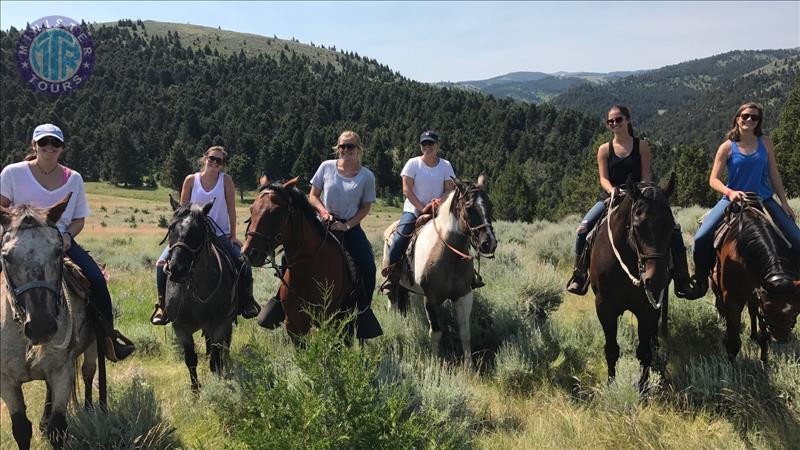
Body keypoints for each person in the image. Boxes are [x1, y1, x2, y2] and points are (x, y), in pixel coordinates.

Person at [0, 124, 135, 361]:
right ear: (34, 145)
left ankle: (108, 340)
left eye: (55, 143)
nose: (49, 147)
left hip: (58, 243)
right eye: (43, 143)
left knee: (96, 281)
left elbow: (78, 219)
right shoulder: (13, 173)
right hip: (19, 243)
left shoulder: (74, 179)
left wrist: (67, 236)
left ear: (62, 148)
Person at [257, 131, 382, 339]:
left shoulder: (366, 176)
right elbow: (313, 196)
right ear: (337, 148)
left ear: (358, 149)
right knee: (288, 257)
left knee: (368, 265)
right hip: (322, 222)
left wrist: (347, 225)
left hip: (349, 228)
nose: (345, 151)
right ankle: (280, 302)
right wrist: (323, 212)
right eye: (342, 146)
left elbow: (365, 207)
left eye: (350, 147)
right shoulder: (326, 167)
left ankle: (362, 313)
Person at [566, 105, 693, 297]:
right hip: (612, 196)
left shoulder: (641, 145)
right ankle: (579, 274)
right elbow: (603, 178)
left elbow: (645, 174)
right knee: (583, 229)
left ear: (627, 120)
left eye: (618, 119)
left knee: (673, 228)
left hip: (639, 196)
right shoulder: (604, 150)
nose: (614, 123)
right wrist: (612, 190)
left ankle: (682, 277)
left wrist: (643, 192)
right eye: (611, 121)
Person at [687, 102, 800, 299]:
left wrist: (784, 202)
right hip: (733, 201)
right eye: (745, 116)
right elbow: (713, 179)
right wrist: (730, 193)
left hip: (764, 200)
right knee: (700, 238)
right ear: (737, 118)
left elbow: (774, 174)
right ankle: (700, 279)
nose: (749, 120)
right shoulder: (727, 147)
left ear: (759, 122)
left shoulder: (766, 142)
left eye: (754, 117)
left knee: (797, 239)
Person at [151, 146, 260, 325]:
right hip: (191, 236)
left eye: (219, 161)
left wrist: (232, 235)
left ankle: (246, 302)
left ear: (223, 165)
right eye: (212, 158)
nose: (215, 163)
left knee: (243, 263)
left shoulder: (226, 181)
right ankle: (162, 306)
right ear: (205, 158)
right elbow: (181, 210)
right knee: (161, 264)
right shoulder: (191, 180)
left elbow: (231, 209)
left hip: (220, 233)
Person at [380, 130, 463, 298]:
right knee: (399, 239)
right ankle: (391, 275)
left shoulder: (445, 165)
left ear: (437, 145)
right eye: (424, 144)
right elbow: (407, 190)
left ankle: (467, 277)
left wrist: (437, 204)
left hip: (440, 211)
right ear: (420, 146)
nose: (427, 147)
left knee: (460, 234)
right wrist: (422, 208)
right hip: (413, 209)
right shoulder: (413, 164)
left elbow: (449, 190)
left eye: (431, 143)